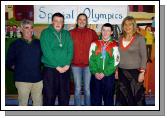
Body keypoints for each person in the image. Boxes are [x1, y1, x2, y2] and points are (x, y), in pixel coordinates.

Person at [6, 19, 43, 106]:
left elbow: (43, 58)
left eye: (31, 28)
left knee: (38, 104)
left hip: (37, 80)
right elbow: (9, 62)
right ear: (21, 29)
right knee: (23, 104)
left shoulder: (38, 43)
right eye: (27, 28)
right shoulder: (15, 44)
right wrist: (19, 68)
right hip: (22, 80)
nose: (30, 30)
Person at [40, 13, 73, 106]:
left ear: (63, 23)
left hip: (65, 69)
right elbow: (47, 52)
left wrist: (67, 64)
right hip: (50, 70)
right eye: (56, 21)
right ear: (52, 22)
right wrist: (57, 66)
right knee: (49, 96)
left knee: (64, 96)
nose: (58, 23)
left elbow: (70, 49)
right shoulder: (45, 33)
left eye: (61, 21)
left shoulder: (66, 34)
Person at [116, 16, 147, 106]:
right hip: (122, 72)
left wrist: (142, 72)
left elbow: (144, 56)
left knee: (136, 97)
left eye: (130, 24)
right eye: (125, 24)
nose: (127, 26)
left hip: (135, 73)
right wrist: (116, 70)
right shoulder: (120, 38)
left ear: (133, 26)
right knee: (124, 97)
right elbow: (118, 56)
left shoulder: (139, 38)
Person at [70, 13, 98, 106]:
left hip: (88, 66)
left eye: (84, 20)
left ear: (86, 22)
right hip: (75, 65)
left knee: (87, 89)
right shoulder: (70, 33)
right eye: (80, 19)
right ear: (77, 21)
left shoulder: (92, 32)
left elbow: (97, 49)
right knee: (77, 88)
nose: (82, 21)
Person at [89, 23, 120, 106]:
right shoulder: (94, 44)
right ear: (101, 31)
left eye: (108, 30)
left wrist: (105, 72)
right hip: (96, 76)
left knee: (108, 100)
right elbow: (91, 60)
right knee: (95, 100)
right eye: (104, 30)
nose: (105, 32)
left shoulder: (114, 45)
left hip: (108, 76)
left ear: (111, 32)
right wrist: (95, 72)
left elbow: (115, 61)